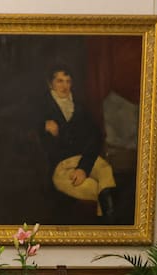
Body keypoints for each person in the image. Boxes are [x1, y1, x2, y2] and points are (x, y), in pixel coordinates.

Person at [41, 66, 119, 222]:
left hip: (83, 159)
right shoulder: (42, 106)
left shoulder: (80, 107)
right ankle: (107, 223)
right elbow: (19, 126)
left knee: (105, 171)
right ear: (50, 84)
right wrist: (41, 125)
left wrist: (83, 168)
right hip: (60, 166)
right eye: (60, 81)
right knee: (93, 187)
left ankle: (110, 222)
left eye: (68, 81)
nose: (65, 86)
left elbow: (95, 137)